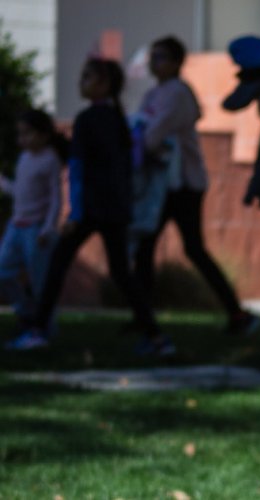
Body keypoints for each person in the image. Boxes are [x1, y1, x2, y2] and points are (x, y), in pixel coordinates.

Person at [28, 59, 166, 355]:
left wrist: (75, 213)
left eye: (87, 76)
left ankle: (38, 330)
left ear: (103, 82)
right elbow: (120, 166)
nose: (81, 82)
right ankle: (156, 337)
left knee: (58, 264)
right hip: (115, 208)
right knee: (121, 272)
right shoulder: (117, 119)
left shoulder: (88, 119)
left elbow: (79, 168)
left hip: (90, 209)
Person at [132, 35, 259, 335]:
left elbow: (150, 135)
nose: (154, 62)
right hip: (165, 184)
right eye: (153, 56)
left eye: (161, 56)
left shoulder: (176, 93)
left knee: (188, 248)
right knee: (150, 246)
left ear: (176, 62)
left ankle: (236, 314)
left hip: (183, 184)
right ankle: (143, 316)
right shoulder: (156, 92)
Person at [1, 110, 66, 349]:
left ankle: (45, 328)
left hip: (36, 230)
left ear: (43, 134)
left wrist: (48, 227)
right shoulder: (24, 158)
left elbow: (55, 199)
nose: (23, 139)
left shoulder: (50, 159)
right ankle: (27, 314)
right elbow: (20, 191)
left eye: (27, 133)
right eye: (20, 134)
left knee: (41, 282)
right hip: (16, 225)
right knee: (3, 272)